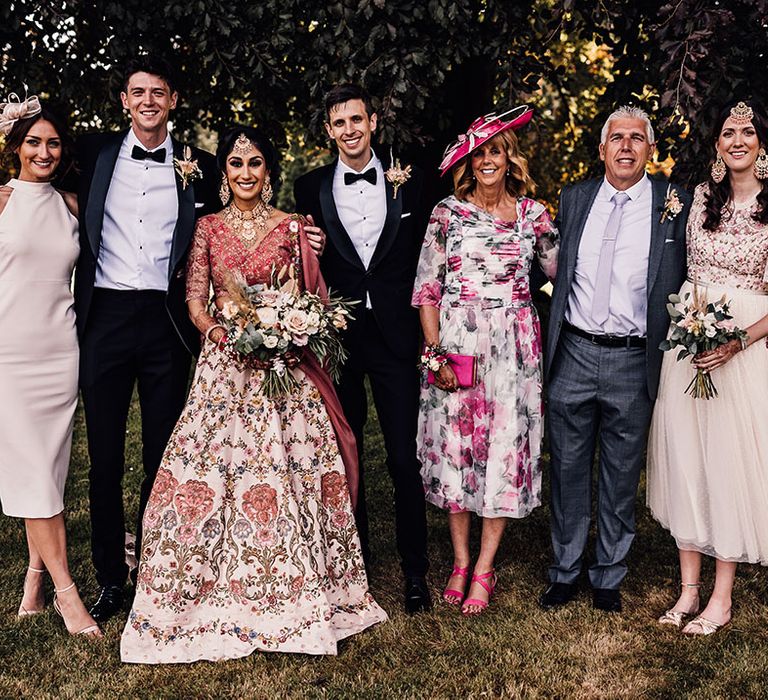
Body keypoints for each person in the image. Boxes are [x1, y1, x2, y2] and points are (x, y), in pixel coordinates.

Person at [120, 126, 387, 663]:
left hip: (283, 368)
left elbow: (309, 293)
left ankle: (305, 582)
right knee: (208, 473)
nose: (245, 173)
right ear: (225, 173)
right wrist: (221, 334)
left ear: (269, 172)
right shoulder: (207, 228)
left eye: (256, 163)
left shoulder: (292, 226)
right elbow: (195, 298)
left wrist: (288, 327)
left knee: (295, 470)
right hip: (225, 368)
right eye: (236, 164)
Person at [74, 55, 221, 622]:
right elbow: (35, 163)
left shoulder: (200, 166)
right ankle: (111, 577)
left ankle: (158, 569)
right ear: (124, 102)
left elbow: (237, 219)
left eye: (158, 92)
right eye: (138, 92)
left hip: (167, 322)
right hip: (105, 318)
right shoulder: (94, 157)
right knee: (105, 458)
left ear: (174, 100)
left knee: (163, 453)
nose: (148, 101)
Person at [541, 106, 691, 613]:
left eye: (637, 138)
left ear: (650, 149)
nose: (626, 146)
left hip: (634, 356)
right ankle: (564, 569)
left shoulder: (674, 202)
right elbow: (549, 266)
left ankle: (607, 573)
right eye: (617, 139)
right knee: (566, 468)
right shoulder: (575, 198)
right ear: (602, 149)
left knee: (621, 472)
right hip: (575, 351)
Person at [411, 107, 558, 615]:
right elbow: (427, 289)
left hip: (514, 349)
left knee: (502, 448)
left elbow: (561, 274)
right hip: (457, 342)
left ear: (509, 159)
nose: (488, 160)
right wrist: (434, 355)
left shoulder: (534, 216)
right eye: (480, 154)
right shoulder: (446, 214)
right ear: (469, 164)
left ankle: (485, 567)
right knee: (457, 448)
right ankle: (457, 560)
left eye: (496, 151)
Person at [294, 83, 431, 613]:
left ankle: (415, 572)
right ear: (328, 131)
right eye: (339, 123)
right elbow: (305, 258)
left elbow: (427, 249)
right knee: (347, 456)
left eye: (357, 119)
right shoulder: (310, 188)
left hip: (399, 336)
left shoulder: (409, 179)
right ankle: (357, 566)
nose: (349, 130)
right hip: (342, 340)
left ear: (373, 122)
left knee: (403, 457)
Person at [647, 100, 768, 635]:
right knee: (686, 457)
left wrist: (738, 341)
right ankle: (688, 589)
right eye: (727, 133)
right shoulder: (697, 199)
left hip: (741, 351)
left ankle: (720, 596)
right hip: (688, 342)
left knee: (726, 463)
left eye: (747, 131)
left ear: (761, 145)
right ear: (716, 147)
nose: (737, 139)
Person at [0, 93, 101, 637]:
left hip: (60, 352)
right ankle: (68, 594)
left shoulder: (70, 204)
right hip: (8, 354)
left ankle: (34, 576)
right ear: (15, 146)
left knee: (50, 469)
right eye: (33, 142)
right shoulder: (0, 199)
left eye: (53, 142)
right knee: (33, 471)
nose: (44, 151)